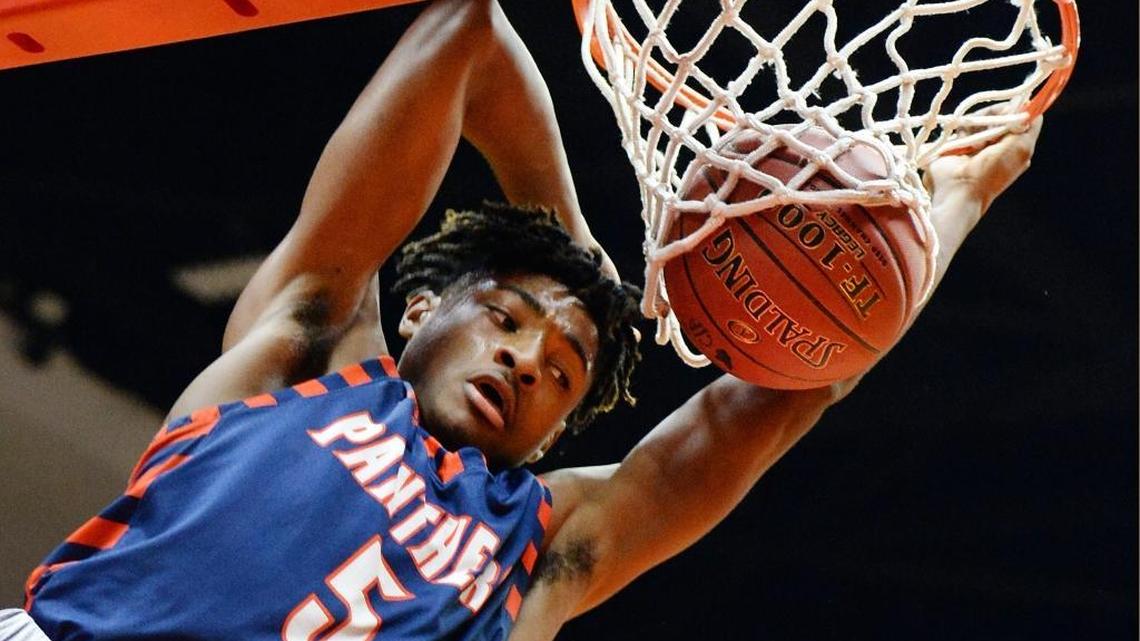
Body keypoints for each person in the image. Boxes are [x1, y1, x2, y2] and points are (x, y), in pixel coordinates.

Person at [10, 0, 1042, 639]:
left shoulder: (543, 545)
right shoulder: (304, 352)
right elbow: (465, 32)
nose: (528, 357)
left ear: (553, 435)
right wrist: (574, 250)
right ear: (419, 308)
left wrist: (948, 207)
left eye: (563, 372)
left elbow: (788, 390)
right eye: (507, 318)